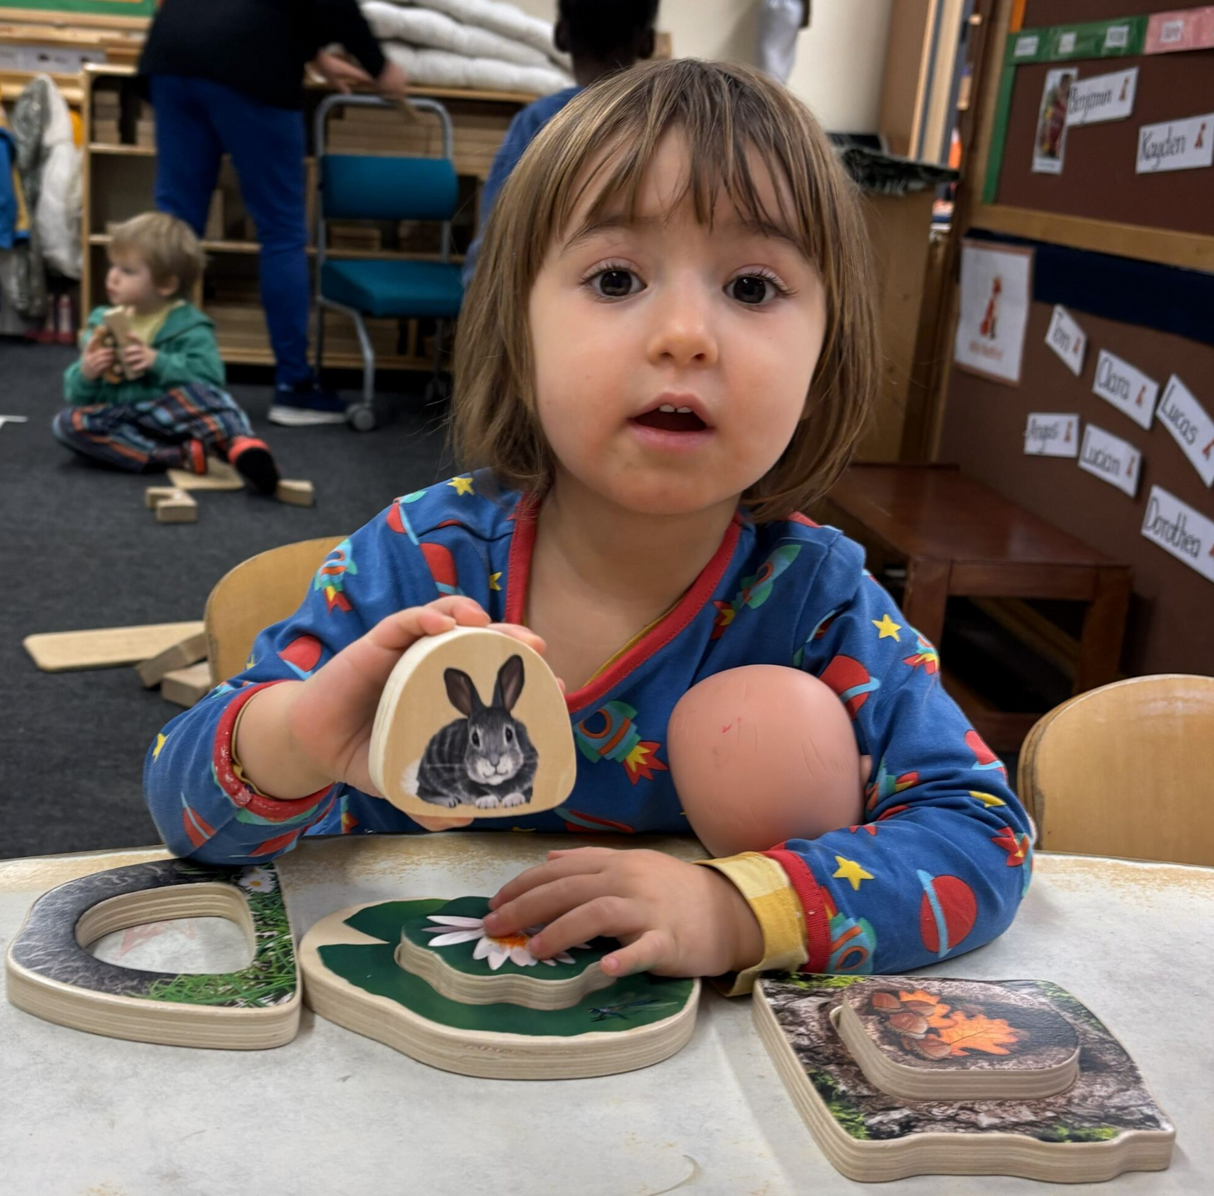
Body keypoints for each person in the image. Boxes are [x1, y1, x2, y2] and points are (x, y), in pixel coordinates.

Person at [144, 60, 1032, 992]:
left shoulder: (818, 601)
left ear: (827, 353)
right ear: (518, 332)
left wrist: (736, 910)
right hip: (396, 1042)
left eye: (755, 288)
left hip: (680, 1075)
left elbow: (985, 837)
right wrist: (295, 738)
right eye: (615, 278)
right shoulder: (416, 558)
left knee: (767, 721)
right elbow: (183, 812)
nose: (685, 334)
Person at [139, 0, 408, 427]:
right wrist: (381, 67)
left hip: (173, 50)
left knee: (175, 223)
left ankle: (147, 377)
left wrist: (313, 54)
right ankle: (294, 388)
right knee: (281, 230)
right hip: (250, 63)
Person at [55, 212, 279, 493]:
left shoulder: (189, 325)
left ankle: (239, 445)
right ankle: (179, 455)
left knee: (210, 399)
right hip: (126, 416)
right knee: (68, 423)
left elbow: (210, 377)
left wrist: (158, 362)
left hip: (174, 410)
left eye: (127, 271)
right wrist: (86, 373)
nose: (112, 277)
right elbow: (76, 395)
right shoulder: (101, 321)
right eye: (114, 266)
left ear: (166, 284)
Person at [461, 0, 658, 287]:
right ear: (648, 41)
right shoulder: (665, 124)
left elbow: (494, 240)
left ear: (561, 35)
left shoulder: (539, 122)